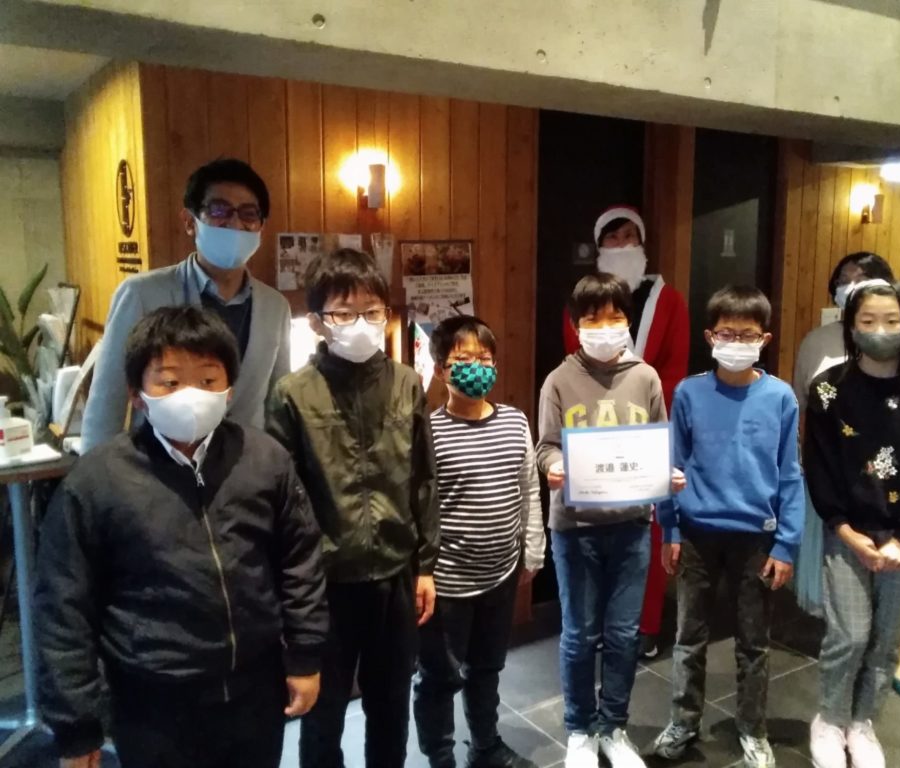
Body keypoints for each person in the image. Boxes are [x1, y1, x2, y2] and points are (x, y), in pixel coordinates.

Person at [35, 305, 327, 768]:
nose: (191, 394)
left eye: (208, 380)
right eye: (170, 382)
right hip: (152, 705)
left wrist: (305, 657)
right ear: (137, 395)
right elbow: (63, 607)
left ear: (229, 389)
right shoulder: (97, 481)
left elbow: (301, 562)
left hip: (255, 692)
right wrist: (76, 724)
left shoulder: (265, 459)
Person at [265, 248, 440, 768]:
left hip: (395, 576)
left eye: (371, 311)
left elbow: (425, 479)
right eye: (344, 313)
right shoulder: (293, 394)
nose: (361, 324)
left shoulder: (407, 382)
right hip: (325, 584)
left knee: (391, 708)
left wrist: (425, 565)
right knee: (323, 717)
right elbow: (281, 503)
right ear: (317, 321)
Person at [651, 286, 804, 768]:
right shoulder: (689, 392)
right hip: (697, 531)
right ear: (710, 336)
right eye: (726, 333)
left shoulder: (780, 397)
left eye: (747, 334)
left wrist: (786, 543)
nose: (736, 342)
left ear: (764, 339)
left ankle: (753, 728)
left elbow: (790, 473)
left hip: (757, 535)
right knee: (688, 636)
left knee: (754, 642)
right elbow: (672, 465)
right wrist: (670, 529)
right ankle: (683, 721)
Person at [804, 281, 900, 768]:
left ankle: (863, 722)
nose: (880, 330)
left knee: (887, 639)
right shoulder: (828, 390)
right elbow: (820, 465)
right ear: (850, 326)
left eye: (892, 321)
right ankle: (829, 720)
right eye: (867, 321)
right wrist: (845, 530)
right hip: (847, 532)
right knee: (849, 635)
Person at [538, 272, 684, 768]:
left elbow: (658, 443)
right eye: (593, 319)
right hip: (574, 529)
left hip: (632, 526)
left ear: (628, 321)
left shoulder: (646, 378)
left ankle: (613, 727)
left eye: (615, 317)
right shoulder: (558, 380)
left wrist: (667, 476)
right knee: (579, 635)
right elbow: (545, 446)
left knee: (623, 635)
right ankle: (580, 729)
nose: (605, 327)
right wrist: (554, 466)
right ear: (576, 324)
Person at [793, 252, 900, 702]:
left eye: (865, 276)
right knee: (844, 592)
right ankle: (843, 652)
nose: (853, 284)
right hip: (840, 484)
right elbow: (803, 406)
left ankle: (898, 649)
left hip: (897, 492)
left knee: (896, 587)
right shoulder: (816, 342)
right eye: (845, 278)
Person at [81, 158, 291, 452]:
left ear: (261, 227)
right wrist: (94, 473)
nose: (235, 223)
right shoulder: (141, 294)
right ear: (190, 222)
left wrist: (277, 467)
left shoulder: (275, 307)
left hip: (244, 465)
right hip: (159, 464)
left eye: (248, 214)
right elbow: (107, 400)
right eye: (219, 210)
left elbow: (276, 404)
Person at [413, 315, 546, 768]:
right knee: (438, 676)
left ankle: (485, 746)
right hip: (447, 583)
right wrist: (421, 571)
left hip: (500, 574)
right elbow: (419, 509)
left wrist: (532, 548)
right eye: (463, 359)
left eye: (484, 358)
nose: (477, 367)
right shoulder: (428, 432)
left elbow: (528, 488)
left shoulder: (515, 421)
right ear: (440, 370)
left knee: (487, 668)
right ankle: (441, 758)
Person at [562, 206, 690, 659]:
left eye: (630, 236)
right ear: (600, 247)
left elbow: (674, 369)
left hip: (649, 430)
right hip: (593, 431)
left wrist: (648, 419)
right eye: (612, 238)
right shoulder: (581, 301)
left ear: (642, 243)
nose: (622, 245)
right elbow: (574, 364)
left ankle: (645, 625)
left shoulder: (668, 300)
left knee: (646, 527)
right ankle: (598, 623)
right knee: (595, 530)